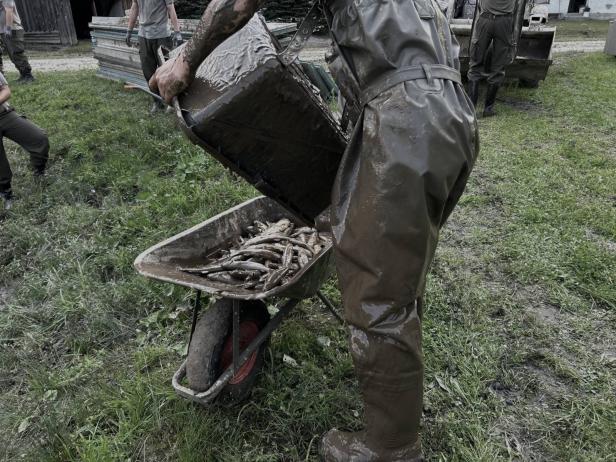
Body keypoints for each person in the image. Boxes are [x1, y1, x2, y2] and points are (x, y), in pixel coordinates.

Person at [150, 0, 478, 459]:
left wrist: (184, 60)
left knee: (378, 299)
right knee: (398, 272)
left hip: (406, 121)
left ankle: (391, 450)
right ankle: (396, 374)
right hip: (452, 114)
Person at [0, 71, 49, 209]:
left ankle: (38, 171)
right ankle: (5, 192)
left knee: (39, 138)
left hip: (4, 114)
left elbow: (5, 90)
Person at [126, 0, 183, 113]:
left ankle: (171, 103)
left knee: (168, 71)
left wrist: (177, 32)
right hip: (143, 35)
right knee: (148, 71)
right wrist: (129, 30)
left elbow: (170, 7)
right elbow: (134, 8)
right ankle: (157, 102)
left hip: (162, 35)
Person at [467, 0, 516, 116]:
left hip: (485, 20)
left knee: (475, 64)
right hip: (505, 22)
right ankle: (488, 109)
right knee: (499, 66)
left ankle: (471, 108)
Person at [0, 0, 34, 83]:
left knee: (17, 53)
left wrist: (8, 28)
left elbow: (9, 10)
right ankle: (21, 75)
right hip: (2, 31)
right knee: (10, 55)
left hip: (12, 29)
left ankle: (27, 75)